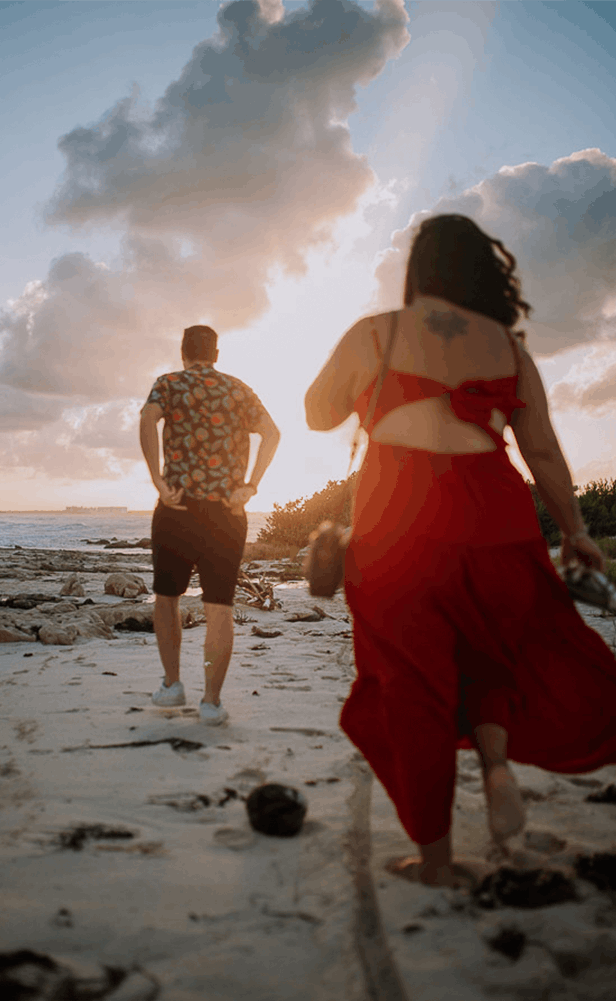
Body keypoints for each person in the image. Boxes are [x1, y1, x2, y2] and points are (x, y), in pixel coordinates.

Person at [304, 213, 616, 888]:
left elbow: (317, 411)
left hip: (399, 514)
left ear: (418, 271)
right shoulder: (508, 346)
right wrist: (576, 530)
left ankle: (438, 857)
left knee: (411, 679)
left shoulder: (377, 331)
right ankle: (497, 767)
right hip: (497, 512)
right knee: (491, 644)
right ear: (482, 274)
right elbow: (544, 452)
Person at [139, 325, 282, 726]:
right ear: (215, 353)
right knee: (219, 608)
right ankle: (211, 702)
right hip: (226, 514)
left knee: (167, 599)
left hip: (177, 508)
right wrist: (251, 485)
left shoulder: (168, 384)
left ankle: (172, 685)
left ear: (183, 351)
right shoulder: (238, 389)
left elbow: (147, 421)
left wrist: (157, 480)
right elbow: (272, 433)